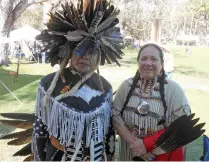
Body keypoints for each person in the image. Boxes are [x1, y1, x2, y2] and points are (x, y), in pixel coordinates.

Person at [0, 0, 123, 161]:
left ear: (98, 56)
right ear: (68, 52)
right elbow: (40, 131)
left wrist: (110, 157)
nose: (85, 56)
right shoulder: (48, 85)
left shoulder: (104, 87)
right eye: (79, 49)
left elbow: (108, 132)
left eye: (91, 51)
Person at [112, 43, 191, 161]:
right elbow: (115, 115)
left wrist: (147, 144)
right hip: (130, 152)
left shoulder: (173, 89)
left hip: (161, 155)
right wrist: (135, 144)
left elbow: (183, 125)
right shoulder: (126, 86)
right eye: (143, 58)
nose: (148, 63)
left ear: (162, 63)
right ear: (138, 62)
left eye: (154, 59)